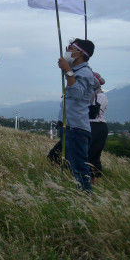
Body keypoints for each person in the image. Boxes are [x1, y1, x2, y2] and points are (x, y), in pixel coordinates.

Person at [47, 39, 96, 192]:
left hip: (76, 128)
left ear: (80, 53)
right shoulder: (77, 72)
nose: (67, 50)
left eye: (71, 48)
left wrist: (68, 70)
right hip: (70, 126)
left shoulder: (85, 73)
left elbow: (78, 94)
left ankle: (86, 196)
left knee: (79, 166)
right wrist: (67, 70)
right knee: (73, 164)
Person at [88, 72, 109, 181]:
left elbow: (94, 113)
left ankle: (95, 180)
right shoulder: (88, 95)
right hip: (89, 125)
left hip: (97, 126)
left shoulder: (101, 96)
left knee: (93, 155)